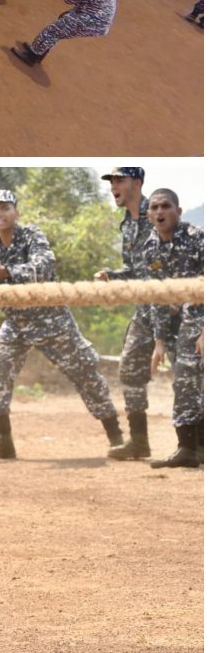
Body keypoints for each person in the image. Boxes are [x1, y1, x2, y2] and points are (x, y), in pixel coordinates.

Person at [0, 190, 123, 459]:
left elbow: (45, 266)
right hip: (16, 323)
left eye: (4, 208)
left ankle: (117, 438)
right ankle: (3, 443)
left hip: (50, 319)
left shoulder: (31, 235)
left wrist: (7, 271)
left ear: (16, 211)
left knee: (85, 373)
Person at [93, 168, 155, 461]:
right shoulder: (128, 225)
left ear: (137, 183)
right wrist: (111, 276)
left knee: (191, 373)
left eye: (120, 181)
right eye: (112, 182)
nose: (113, 187)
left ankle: (198, 444)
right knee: (130, 369)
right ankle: (139, 442)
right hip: (146, 309)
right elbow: (135, 271)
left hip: (177, 307)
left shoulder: (158, 211)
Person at [142, 189, 204, 469]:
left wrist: (206, 330)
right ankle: (190, 449)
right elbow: (159, 297)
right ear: (148, 215)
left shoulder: (198, 238)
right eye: (154, 207)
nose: (159, 212)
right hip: (183, 320)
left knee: (192, 378)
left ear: (178, 211)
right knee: (185, 381)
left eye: (165, 206)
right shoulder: (150, 247)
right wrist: (159, 341)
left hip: (201, 314)